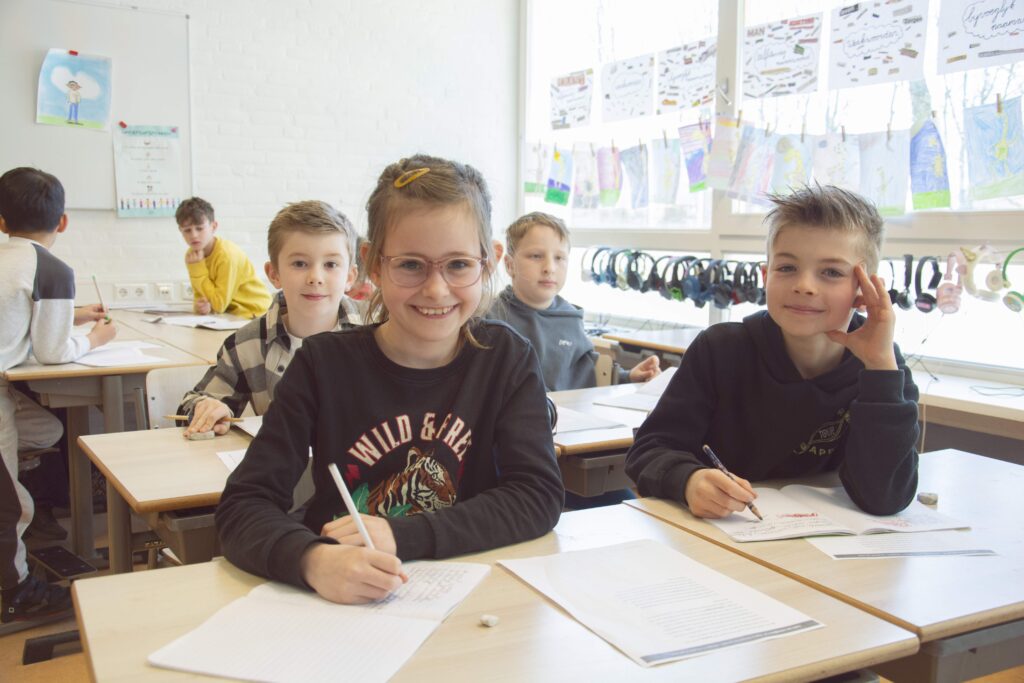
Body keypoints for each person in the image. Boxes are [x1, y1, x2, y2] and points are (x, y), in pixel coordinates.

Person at [216, 154, 564, 604]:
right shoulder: (322, 365)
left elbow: (537, 496)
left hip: (470, 597)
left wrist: (403, 535)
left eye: (459, 264)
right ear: (373, 264)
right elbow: (243, 506)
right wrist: (311, 560)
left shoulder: (506, 359)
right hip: (340, 602)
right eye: (410, 265)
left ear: (489, 260)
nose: (436, 289)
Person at [626, 185, 919, 518]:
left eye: (831, 272)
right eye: (787, 268)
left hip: (825, 540)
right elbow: (649, 450)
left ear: (865, 289)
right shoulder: (720, 350)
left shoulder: (883, 367)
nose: (804, 285)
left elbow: (885, 498)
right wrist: (688, 480)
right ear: (766, 276)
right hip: (724, 532)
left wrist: (880, 369)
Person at [0, 167, 116, 622]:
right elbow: (52, 353)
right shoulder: (51, 269)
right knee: (13, 505)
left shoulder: (8, 260)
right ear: (63, 222)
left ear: (2, 221)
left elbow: (16, 321)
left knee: (45, 429)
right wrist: (95, 338)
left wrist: (75, 314)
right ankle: (16, 594)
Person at [179, 200, 360, 436]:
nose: (315, 277)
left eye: (331, 264)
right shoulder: (247, 344)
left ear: (350, 276)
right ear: (274, 274)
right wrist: (206, 408)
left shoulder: (380, 336)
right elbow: (192, 403)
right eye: (300, 264)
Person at [488, 211, 660, 391]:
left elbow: (588, 373)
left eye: (559, 258)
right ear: (510, 265)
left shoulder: (570, 318)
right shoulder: (491, 319)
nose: (549, 268)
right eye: (536, 256)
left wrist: (629, 377)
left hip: (572, 408)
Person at [176, 196, 272, 318]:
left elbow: (218, 305)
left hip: (256, 314)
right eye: (187, 230)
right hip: (229, 315)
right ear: (180, 231)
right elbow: (200, 296)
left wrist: (197, 269)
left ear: (213, 226)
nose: (194, 235)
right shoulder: (193, 255)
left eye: (199, 228)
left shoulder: (226, 255)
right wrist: (201, 306)